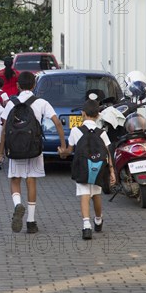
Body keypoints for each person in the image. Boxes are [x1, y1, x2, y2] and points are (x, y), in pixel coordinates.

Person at [0, 71, 66, 234]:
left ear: (18, 86)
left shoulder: (11, 103)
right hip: (34, 149)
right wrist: (63, 145)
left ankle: (17, 205)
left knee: (15, 180)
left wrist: (0, 153)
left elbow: (4, 129)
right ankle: (31, 222)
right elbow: (57, 122)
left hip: (15, 148)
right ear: (34, 85)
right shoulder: (41, 102)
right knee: (31, 181)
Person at [58, 99, 116, 240]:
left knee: (84, 194)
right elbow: (108, 152)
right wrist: (112, 171)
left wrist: (62, 152)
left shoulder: (76, 131)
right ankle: (98, 219)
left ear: (82, 114)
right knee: (96, 194)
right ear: (97, 115)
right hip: (98, 168)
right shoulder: (102, 133)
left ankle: (86, 226)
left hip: (82, 168)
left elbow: (69, 151)